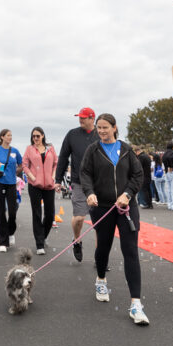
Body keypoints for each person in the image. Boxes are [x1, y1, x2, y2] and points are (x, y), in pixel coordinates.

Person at [79, 113, 148, 325]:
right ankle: (101, 279)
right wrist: (90, 192)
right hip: (102, 207)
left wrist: (127, 194)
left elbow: (138, 175)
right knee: (104, 247)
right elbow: (85, 174)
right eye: (98, 128)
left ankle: (136, 304)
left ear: (114, 127)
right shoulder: (93, 150)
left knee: (130, 251)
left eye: (105, 127)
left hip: (126, 207)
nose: (101, 131)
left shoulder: (126, 149)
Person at [54, 107, 98, 262]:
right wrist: (58, 180)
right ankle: (77, 240)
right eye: (80, 117)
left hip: (99, 183)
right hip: (79, 182)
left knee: (100, 221)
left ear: (92, 118)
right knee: (79, 218)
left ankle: (101, 257)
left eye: (84, 117)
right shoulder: (72, 134)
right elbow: (63, 157)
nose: (81, 120)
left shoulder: (100, 134)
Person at [22, 126, 57, 255]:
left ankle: (43, 235)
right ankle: (39, 244)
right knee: (37, 214)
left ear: (43, 135)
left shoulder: (50, 148)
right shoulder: (29, 149)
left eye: (37, 136)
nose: (35, 138)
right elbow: (24, 165)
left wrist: (53, 177)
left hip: (49, 185)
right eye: (33, 136)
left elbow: (56, 163)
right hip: (34, 186)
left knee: (50, 214)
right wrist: (32, 177)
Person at [0, 129, 23, 253]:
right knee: (2, 212)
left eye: (11, 135)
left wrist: (16, 172)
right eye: (8, 135)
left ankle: (11, 232)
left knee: (13, 212)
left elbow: (21, 164)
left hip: (12, 184)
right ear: (2, 137)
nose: (10, 137)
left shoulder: (15, 151)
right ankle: (3, 241)